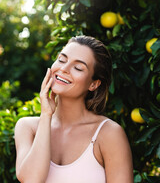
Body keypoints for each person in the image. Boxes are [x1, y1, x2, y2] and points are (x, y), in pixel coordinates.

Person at [15, 35, 133, 183]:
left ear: (94, 84)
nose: (63, 69)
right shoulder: (28, 127)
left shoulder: (109, 134)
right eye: (61, 60)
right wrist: (46, 115)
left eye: (78, 67)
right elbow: (31, 180)